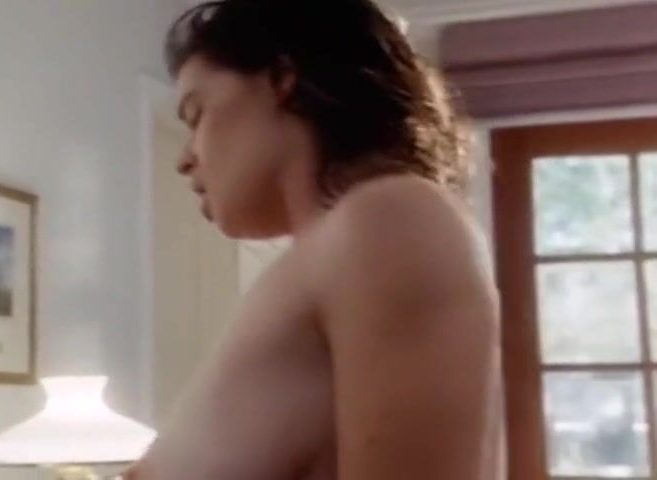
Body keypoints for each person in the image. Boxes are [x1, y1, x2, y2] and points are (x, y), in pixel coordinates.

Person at [126, 0, 504, 478]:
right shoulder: (323, 257)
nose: (184, 159)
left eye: (196, 114)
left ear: (281, 78)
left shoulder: (390, 217)